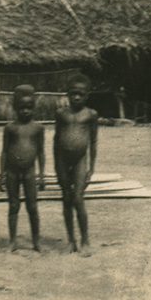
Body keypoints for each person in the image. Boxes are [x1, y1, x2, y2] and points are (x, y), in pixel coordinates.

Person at [54, 73, 98, 256]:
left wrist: (91, 169)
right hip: (63, 162)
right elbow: (56, 140)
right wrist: (57, 166)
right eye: (73, 94)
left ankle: (85, 240)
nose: (76, 97)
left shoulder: (91, 115)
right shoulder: (61, 114)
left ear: (87, 95)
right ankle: (71, 240)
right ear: (67, 95)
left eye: (81, 94)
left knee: (78, 199)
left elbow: (94, 141)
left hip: (80, 160)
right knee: (66, 199)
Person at [0, 85, 46, 252]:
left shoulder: (38, 128)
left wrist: (41, 175)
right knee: (13, 206)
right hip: (12, 172)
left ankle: (36, 241)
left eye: (29, 108)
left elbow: (40, 152)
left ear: (34, 107)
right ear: (14, 108)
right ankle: (12, 241)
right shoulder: (10, 128)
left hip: (29, 173)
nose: (25, 111)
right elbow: (4, 152)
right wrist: (1, 175)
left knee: (32, 207)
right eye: (21, 108)